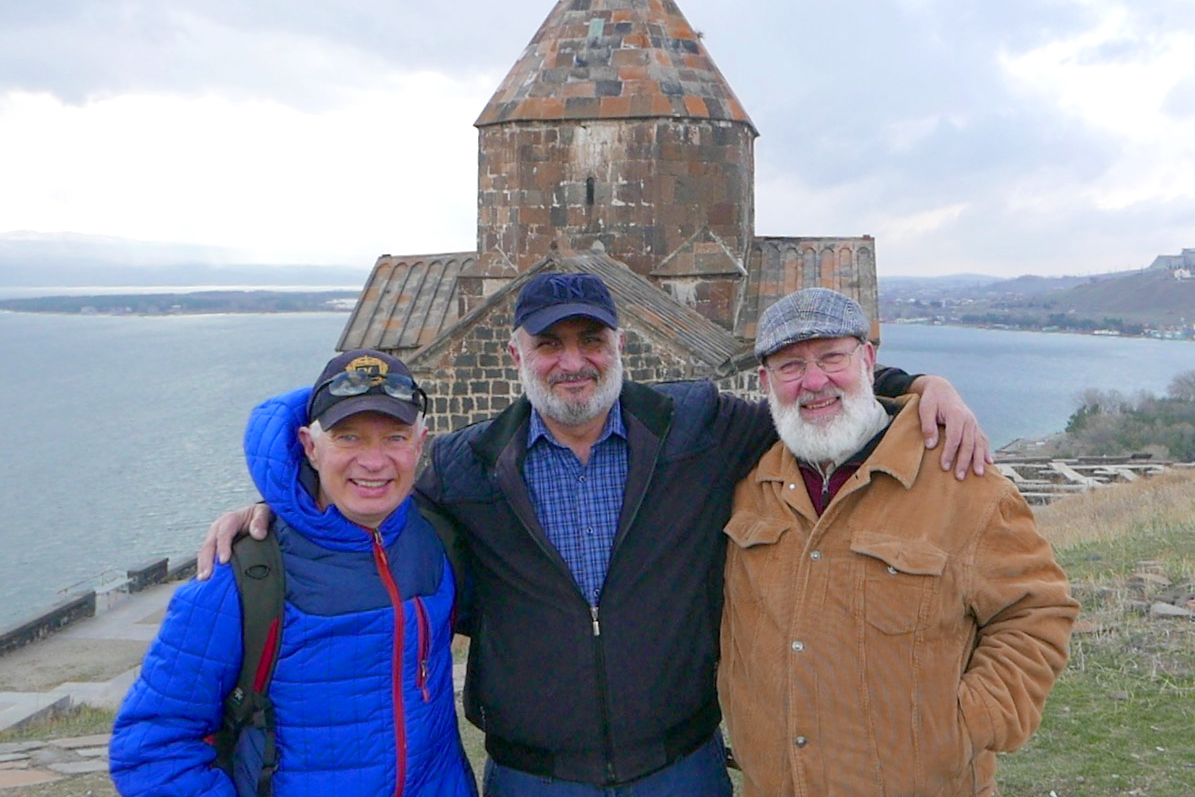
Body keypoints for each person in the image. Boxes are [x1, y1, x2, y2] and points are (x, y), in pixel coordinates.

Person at [199, 272, 989, 796]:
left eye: (590, 341)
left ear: (621, 346)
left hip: (680, 766)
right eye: (548, 343)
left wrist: (918, 388)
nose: (570, 362)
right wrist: (272, 505)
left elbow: (814, 394)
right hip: (532, 777)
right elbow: (365, 485)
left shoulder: (698, 428)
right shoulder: (464, 466)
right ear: (516, 354)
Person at [718, 288, 1078, 797]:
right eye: (791, 365)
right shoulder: (747, 486)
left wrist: (965, 725)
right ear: (765, 382)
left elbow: (1036, 612)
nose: (814, 381)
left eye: (831, 357)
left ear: (868, 359)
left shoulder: (961, 480)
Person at [110, 350, 477, 797]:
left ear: (420, 444)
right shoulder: (242, 575)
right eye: (349, 438)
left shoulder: (437, 540)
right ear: (310, 446)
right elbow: (151, 749)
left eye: (395, 437)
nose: (374, 461)